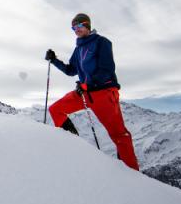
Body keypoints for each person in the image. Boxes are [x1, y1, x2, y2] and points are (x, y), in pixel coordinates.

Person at [45, 13, 140, 170]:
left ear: (87, 26)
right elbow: (71, 70)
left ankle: (133, 174)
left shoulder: (101, 42)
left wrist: (89, 84)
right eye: (73, 27)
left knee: (119, 135)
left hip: (103, 93)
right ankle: (76, 148)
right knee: (56, 110)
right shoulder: (78, 49)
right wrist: (54, 60)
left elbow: (106, 69)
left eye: (79, 26)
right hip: (84, 92)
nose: (76, 29)